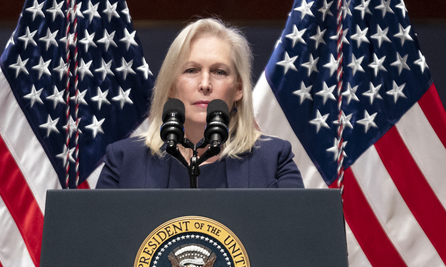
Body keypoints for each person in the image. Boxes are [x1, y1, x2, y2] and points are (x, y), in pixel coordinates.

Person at [96, 18, 304, 189]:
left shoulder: (274, 160)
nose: (205, 84)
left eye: (219, 72)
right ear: (170, 86)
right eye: (191, 70)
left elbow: (299, 235)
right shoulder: (124, 161)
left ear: (239, 88)